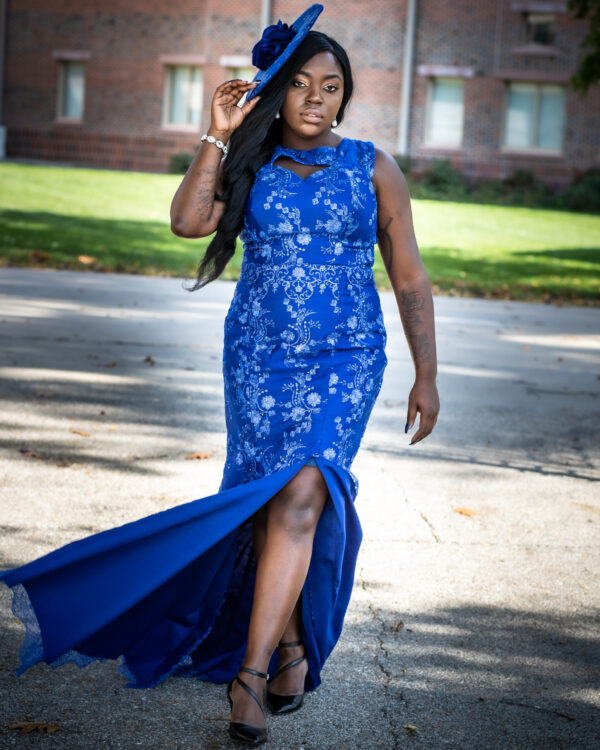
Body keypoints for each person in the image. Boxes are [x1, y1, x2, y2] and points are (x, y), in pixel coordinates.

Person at [0, 5, 439, 747]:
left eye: (329, 87)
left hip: (346, 356)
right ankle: (294, 648)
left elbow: (409, 275)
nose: (313, 99)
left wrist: (427, 374)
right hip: (260, 359)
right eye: (298, 83)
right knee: (273, 504)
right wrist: (218, 135)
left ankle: (252, 675)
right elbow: (187, 221)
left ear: (344, 97)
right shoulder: (252, 163)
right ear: (276, 90)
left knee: (304, 489)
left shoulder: (373, 167)